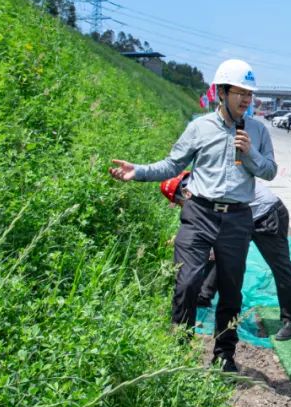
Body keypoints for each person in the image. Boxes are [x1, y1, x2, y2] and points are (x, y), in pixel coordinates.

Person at [108, 59, 277, 373]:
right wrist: (138, 171)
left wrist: (250, 153)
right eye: (239, 92)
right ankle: (179, 353)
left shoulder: (257, 130)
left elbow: (270, 171)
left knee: (231, 289)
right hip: (199, 212)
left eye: (249, 94)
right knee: (187, 283)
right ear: (221, 92)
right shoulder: (199, 127)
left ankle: (224, 355)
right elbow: (172, 165)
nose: (246, 99)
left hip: (237, 217)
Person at [160, 171, 291, 342]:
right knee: (221, 255)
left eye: (178, 202)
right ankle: (204, 296)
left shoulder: (204, 185)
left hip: (266, 215)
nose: (182, 205)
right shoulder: (199, 187)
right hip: (241, 219)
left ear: (184, 192)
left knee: (280, 267)